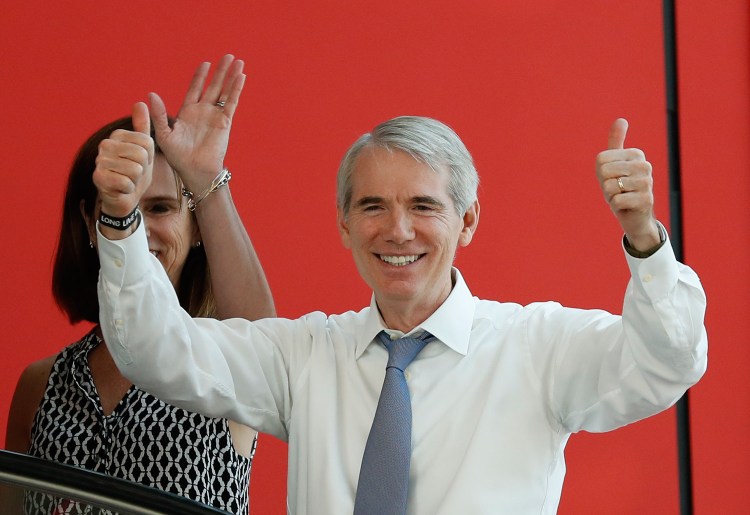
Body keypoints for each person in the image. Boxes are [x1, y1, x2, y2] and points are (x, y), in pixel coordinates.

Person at [93, 102, 707, 513]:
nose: (397, 230)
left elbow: (667, 363)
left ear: (467, 221)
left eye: (423, 206)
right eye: (372, 207)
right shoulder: (304, 356)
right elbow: (154, 350)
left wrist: (645, 238)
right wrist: (121, 220)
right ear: (343, 224)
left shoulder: (536, 347)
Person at [4, 55, 274, 514]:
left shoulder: (215, 361)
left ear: (196, 230)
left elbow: (266, 342)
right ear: (91, 224)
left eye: (162, 208)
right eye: (123, 209)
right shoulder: (42, 383)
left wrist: (206, 179)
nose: (138, 228)